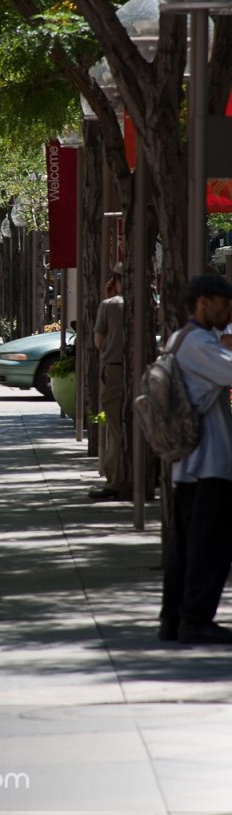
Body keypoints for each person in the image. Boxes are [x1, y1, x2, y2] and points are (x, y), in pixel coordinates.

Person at [159, 273, 232, 645]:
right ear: (204, 302)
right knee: (210, 547)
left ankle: (175, 617)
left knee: (187, 547)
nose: (229, 310)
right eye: (225, 303)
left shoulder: (179, 339)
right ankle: (195, 619)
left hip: (189, 465)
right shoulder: (199, 343)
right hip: (208, 462)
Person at [92, 263, 124, 499]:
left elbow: (99, 342)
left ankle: (116, 478)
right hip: (145, 369)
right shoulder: (151, 301)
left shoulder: (109, 305)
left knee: (115, 425)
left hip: (115, 369)